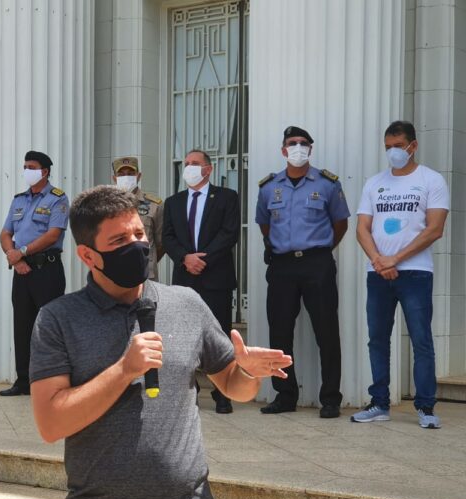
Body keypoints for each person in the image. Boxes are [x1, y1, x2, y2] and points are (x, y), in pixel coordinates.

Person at [30, 185, 291, 499]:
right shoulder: (58, 319)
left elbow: (233, 386)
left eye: (139, 234)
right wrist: (123, 371)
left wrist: (249, 371)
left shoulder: (186, 302)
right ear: (88, 255)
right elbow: (51, 423)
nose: (136, 245)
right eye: (119, 240)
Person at [352, 120, 449, 429]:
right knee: (377, 340)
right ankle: (379, 403)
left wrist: (395, 258)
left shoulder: (431, 181)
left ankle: (426, 408)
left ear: (413, 146)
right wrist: (379, 260)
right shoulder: (374, 183)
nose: (393, 152)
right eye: (388, 148)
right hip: (378, 273)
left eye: (398, 146)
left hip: (415, 273)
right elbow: (362, 228)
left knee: (421, 340)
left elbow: (435, 229)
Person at [255, 126, 350, 418]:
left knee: (326, 331)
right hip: (282, 265)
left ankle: (331, 398)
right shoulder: (269, 187)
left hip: (317, 264)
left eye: (303, 143)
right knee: (280, 332)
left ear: (310, 149)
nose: (297, 147)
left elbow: (341, 223)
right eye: (292, 143)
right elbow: (265, 224)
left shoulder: (327, 184)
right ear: (284, 150)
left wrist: (320, 250)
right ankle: (285, 395)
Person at [163, 149, 239, 414]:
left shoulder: (227, 197)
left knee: (220, 336)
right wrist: (185, 258)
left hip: (215, 276)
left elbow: (229, 233)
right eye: (186, 164)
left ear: (208, 169)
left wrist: (202, 259)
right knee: (184, 336)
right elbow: (168, 237)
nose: (189, 168)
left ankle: (223, 393)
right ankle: (189, 392)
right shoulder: (173, 202)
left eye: (194, 164)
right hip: (185, 278)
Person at [0, 150, 68, 396]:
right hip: (22, 271)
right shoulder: (19, 200)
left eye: (31, 166)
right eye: (25, 166)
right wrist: (15, 258)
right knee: (22, 325)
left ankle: (51, 380)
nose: (26, 170)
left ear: (44, 171)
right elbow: (5, 233)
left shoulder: (57, 198)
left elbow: (53, 234)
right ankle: (23, 380)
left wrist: (23, 251)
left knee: (49, 327)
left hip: (47, 269)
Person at [112, 156, 164, 280]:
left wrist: (148, 260)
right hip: (114, 273)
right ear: (114, 178)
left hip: (145, 274)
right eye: (121, 174)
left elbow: (161, 244)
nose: (126, 177)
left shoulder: (154, 205)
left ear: (138, 176)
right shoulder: (105, 205)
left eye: (131, 173)